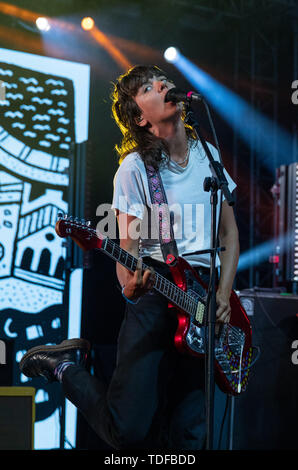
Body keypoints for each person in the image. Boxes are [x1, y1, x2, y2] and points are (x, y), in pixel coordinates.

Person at [20, 65, 239, 450]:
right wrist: (130, 284)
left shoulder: (208, 154)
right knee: (128, 430)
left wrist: (223, 294)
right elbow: (129, 252)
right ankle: (63, 366)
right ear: (139, 116)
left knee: (192, 434)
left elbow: (230, 235)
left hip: (206, 299)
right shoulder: (136, 168)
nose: (163, 85)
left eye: (163, 81)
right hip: (157, 295)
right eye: (149, 88)